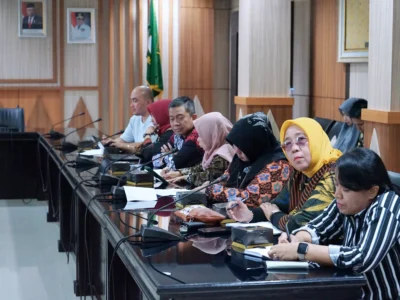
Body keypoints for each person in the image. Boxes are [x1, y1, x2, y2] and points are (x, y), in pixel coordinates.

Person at [268, 148, 400, 300]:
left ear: (372, 191)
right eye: (336, 185)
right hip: (350, 291)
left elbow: (362, 258)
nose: (337, 194)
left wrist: (301, 249)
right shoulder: (345, 203)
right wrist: (297, 239)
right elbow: (317, 227)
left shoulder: (387, 207)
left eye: (346, 189)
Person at [227, 117, 342, 231]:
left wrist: (273, 215)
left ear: (316, 139)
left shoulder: (333, 176)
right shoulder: (299, 174)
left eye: (301, 139)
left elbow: (299, 224)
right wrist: (248, 214)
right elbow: (276, 205)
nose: (294, 148)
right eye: (287, 144)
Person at [206, 112, 292, 207]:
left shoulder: (278, 164)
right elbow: (226, 178)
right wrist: (207, 186)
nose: (237, 151)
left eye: (243, 145)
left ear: (256, 143)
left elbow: (251, 198)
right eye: (235, 144)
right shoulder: (241, 157)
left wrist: (211, 190)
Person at [169, 112, 235, 187]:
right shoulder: (212, 150)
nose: (197, 139)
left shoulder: (223, 155)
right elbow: (200, 167)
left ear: (212, 135)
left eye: (201, 135)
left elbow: (209, 177)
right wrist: (180, 172)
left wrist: (186, 177)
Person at [153, 96, 204, 179]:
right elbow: (154, 159)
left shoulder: (195, 136)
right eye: (172, 119)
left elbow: (176, 164)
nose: (175, 123)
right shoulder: (177, 135)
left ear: (193, 117)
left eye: (180, 118)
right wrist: (171, 156)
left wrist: (167, 157)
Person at [102, 86, 154, 152]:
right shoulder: (134, 119)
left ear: (148, 103)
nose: (131, 105)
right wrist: (110, 142)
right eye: (131, 100)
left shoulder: (155, 120)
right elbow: (123, 140)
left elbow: (145, 145)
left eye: (135, 101)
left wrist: (121, 145)